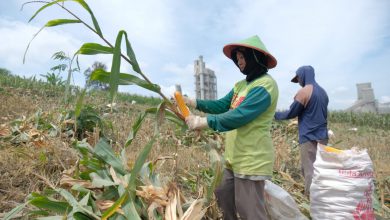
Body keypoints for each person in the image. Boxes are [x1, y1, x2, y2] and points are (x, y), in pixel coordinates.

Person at [181, 35, 279, 220]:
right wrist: (193, 102)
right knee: (223, 194)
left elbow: (240, 116)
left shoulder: (266, 85)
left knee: (249, 211)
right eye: (238, 59)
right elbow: (221, 105)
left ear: (255, 57)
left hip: (252, 160)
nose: (240, 62)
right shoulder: (240, 86)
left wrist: (204, 122)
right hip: (233, 159)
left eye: (243, 58)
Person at [274, 65, 329, 196]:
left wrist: (274, 115)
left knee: (309, 170)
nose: (298, 81)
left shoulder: (304, 92)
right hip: (323, 136)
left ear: (303, 75)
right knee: (321, 168)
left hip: (309, 137)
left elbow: (291, 113)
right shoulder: (323, 92)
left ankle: (311, 199)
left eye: (298, 78)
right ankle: (323, 194)